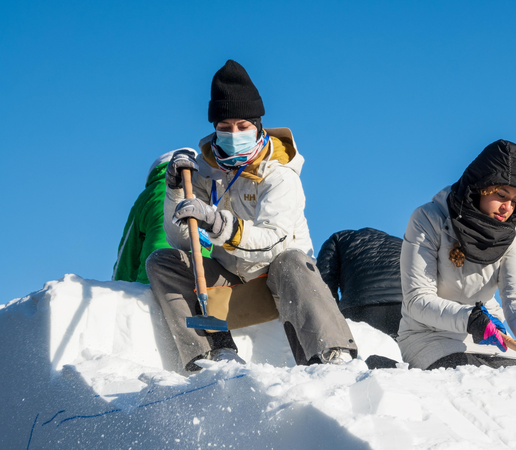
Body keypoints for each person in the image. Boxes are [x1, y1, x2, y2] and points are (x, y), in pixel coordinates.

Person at [146, 60, 358, 372]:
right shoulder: (207, 175)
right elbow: (182, 239)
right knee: (163, 261)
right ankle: (213, 354)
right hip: (234, 286)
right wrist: (177, 190)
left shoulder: (280, 176)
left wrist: (219, 224)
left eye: (243, 126)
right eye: (225, 127)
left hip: (284, 286)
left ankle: (332, 357)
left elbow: (273, 242)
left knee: (291, 260)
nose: (234, 133)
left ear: (257, 127)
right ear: (215, 130)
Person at [396, 139, 516, 373]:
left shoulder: (510, 233)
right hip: (429, 336)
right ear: (481, 186)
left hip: (490, 336)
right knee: (469, 385)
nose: (507, 208)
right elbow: (417, 299)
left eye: (515, 200)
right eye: (501, 195)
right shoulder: (428, 219)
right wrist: (471, 319)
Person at [113, 149, 210, 284]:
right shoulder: (207, 191)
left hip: (153, 278)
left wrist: (118, 285)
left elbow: (129, 251)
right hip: (205, 279)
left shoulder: (149, 194)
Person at [317, 228, 403, 337]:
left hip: (359, 304)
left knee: (363, 350)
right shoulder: (400, 243)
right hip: (403, 305)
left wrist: (332, 314)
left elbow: (324, 279)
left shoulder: (338, 238)